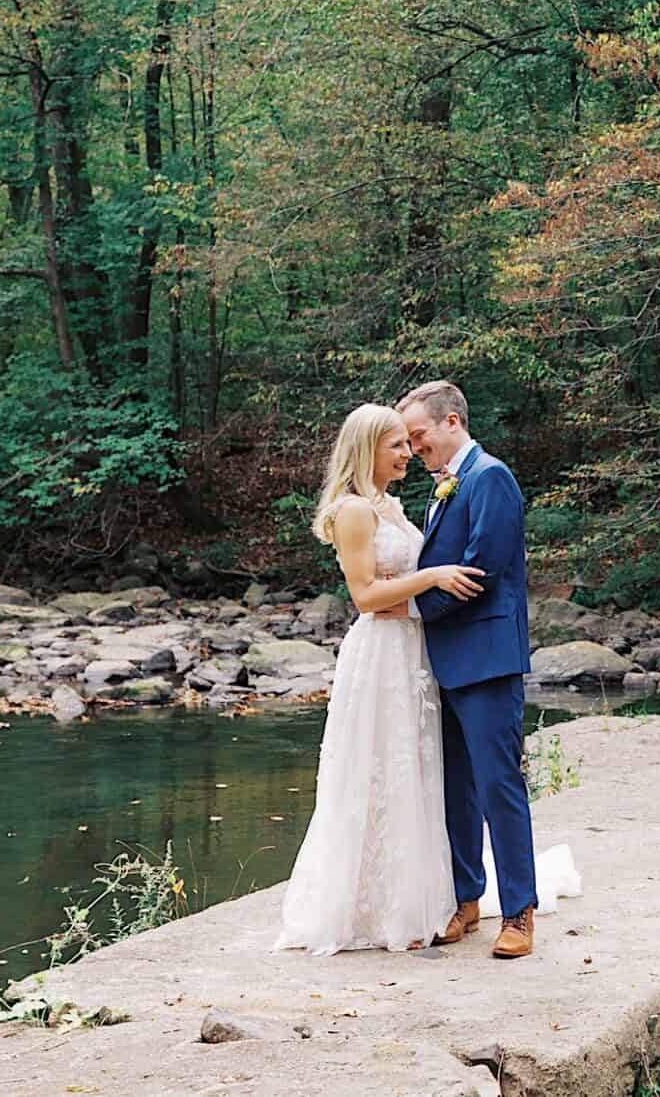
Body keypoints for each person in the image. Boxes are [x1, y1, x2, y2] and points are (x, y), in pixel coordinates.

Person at [271, 403, 483, 954]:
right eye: (395, 444)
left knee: (413, 765)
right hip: (381, 653)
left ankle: (413, 896)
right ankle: (369, 906)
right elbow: (365, 596)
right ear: (367, 448)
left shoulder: (390, 505)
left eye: (407, 443)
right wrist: (431, 576)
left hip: (411, 649)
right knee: (377, 765)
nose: (407, 453)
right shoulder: (354, 512)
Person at [398, 379, 540, 959]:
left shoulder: (490, 478)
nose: (413, 449)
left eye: (419, 435)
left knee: (498, 784)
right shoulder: (442, 488)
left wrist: (410, 607)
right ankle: (466, 898)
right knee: (454, 786)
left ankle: (521, 913)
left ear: (451, 421)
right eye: (406, 441)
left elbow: (480, 570)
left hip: (485, 658)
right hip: (444, 661)